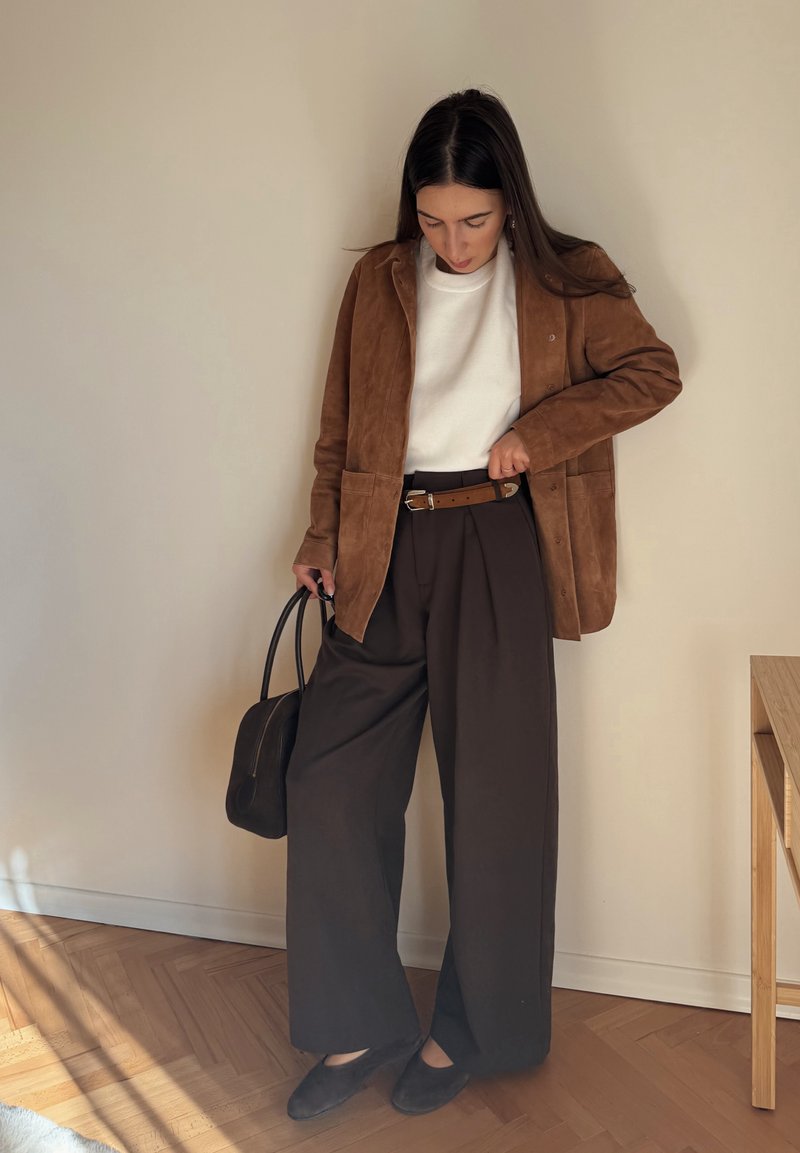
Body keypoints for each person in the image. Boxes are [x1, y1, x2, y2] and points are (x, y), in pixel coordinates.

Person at [283, 88, 682, 1120]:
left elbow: (650, 371)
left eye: (471, 220)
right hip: (382, 541)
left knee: (497, 804)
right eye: (430, 220)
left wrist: (537, 434)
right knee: (327, 785)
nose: (449, 243)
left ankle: (473, 1030)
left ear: (509, 202)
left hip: (499, 539)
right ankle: (353, 1017)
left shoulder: (565, 277)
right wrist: (322, 536)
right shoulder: (377, 280)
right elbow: (337, 429)